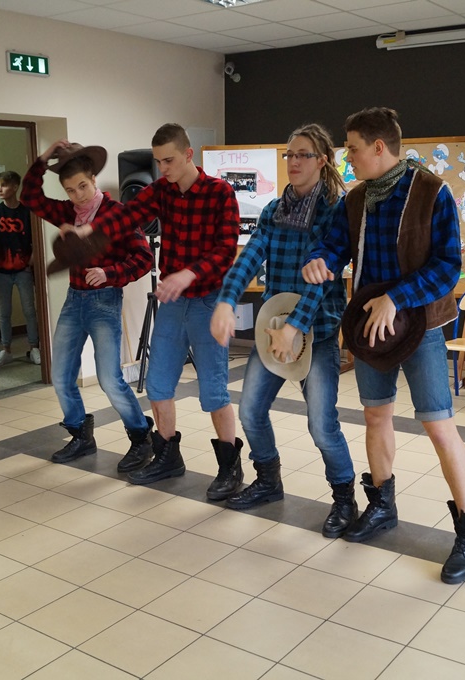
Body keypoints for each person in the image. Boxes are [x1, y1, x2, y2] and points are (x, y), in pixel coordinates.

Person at [303, 107, 465, 585]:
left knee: (439, 426)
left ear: (379, 147)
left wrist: (397, 298)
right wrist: (321, 260)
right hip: (370, 326)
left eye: (353, 148)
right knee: (375, 415)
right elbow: (333, 244)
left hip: (421, 327)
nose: (348, 157)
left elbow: (448, 267)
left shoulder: (432, 192)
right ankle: (382, 504)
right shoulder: (356, 198)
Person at [211, 123, 356, 536]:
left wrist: (297, 326)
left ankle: (345, 499)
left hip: (318, 332)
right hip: (275, 330)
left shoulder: (334, 211)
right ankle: (268, 480)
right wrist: (226, 299)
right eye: (289, 154)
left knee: (321, 425)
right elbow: (249, 257)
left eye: (302, 154)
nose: (293, 161)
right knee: (251, 411)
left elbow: (323, 278)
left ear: (321, 161)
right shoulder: (274, 210)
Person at [96, 123, 242, 500]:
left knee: (213, 391)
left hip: (208, 299)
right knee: (158, 384)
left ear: (188, 154)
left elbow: (227, 249)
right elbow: (128, 216)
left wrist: (189, 273)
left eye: (169, 160)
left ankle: (230, 467)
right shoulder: (161, 190)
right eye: (158, 161)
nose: (163, 168)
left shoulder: (220, 192)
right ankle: (167, 456)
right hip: (173, 303)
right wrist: (90, 229)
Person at [20, 141, 155, 466]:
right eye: (70, 190)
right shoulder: (68, 212)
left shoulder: (117, 214)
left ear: (94, 179)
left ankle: (141, 438)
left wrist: (109, 273)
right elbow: (30, 197)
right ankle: (81, 435)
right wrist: (43, 158)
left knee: (109, 380)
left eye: (83, 186)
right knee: (61, 376)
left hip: (104, 302)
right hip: (74, 301)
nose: (78, 195)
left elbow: (144, 259)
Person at [0, 171, 40, 367]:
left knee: (29, 310)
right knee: (4, 312)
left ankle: (34, 347)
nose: (0, 189)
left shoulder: (27, 212)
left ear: (15, 187)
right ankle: (6, 349)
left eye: (4, 185)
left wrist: (30, 263)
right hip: (1, 271)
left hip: (22, 269)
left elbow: (36, 240)